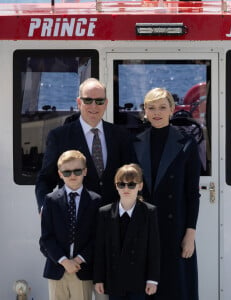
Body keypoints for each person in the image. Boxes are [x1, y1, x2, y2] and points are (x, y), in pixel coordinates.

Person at [132, 88, 201, 300]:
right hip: (143, 227)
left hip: (175, 229)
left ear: (172, 109)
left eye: (162, 107)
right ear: (144, 111)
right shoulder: (134, 143)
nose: (157, 112)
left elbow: (192, 193)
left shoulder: (187, 143)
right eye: (151, 108)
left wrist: (190, 235)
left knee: (176, 289)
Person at [35, 78, 132, 214]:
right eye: (88, 100)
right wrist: (44, 209)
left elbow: (132, 176)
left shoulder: (121, 135)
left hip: (114, 221)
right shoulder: (59, 136)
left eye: (99, 101)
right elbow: (45, 179)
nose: (94, 106)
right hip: (75, 221)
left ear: (106, 103)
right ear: (79, 102)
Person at [40, 150, 101, 300]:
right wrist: (64, 261)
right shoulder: (50, 200)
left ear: (85, 171)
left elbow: (97, 237)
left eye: (77, 171)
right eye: (66, 172)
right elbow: (46, 238)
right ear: (60, 174)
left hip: (82, 269)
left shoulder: (95, 201)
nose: (72, 175)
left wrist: (78, 259)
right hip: (57, 268)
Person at [94, 163, 160, 300]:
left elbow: (154, 248)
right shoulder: (105, 212)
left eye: (131, 185)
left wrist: (152, 279)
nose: (126, 189)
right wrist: (98, 278)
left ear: (140, 186)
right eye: (121, 184)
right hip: (114, 279)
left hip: (138, 280)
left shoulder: (149, 212)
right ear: (116, 186)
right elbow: (100, 249)